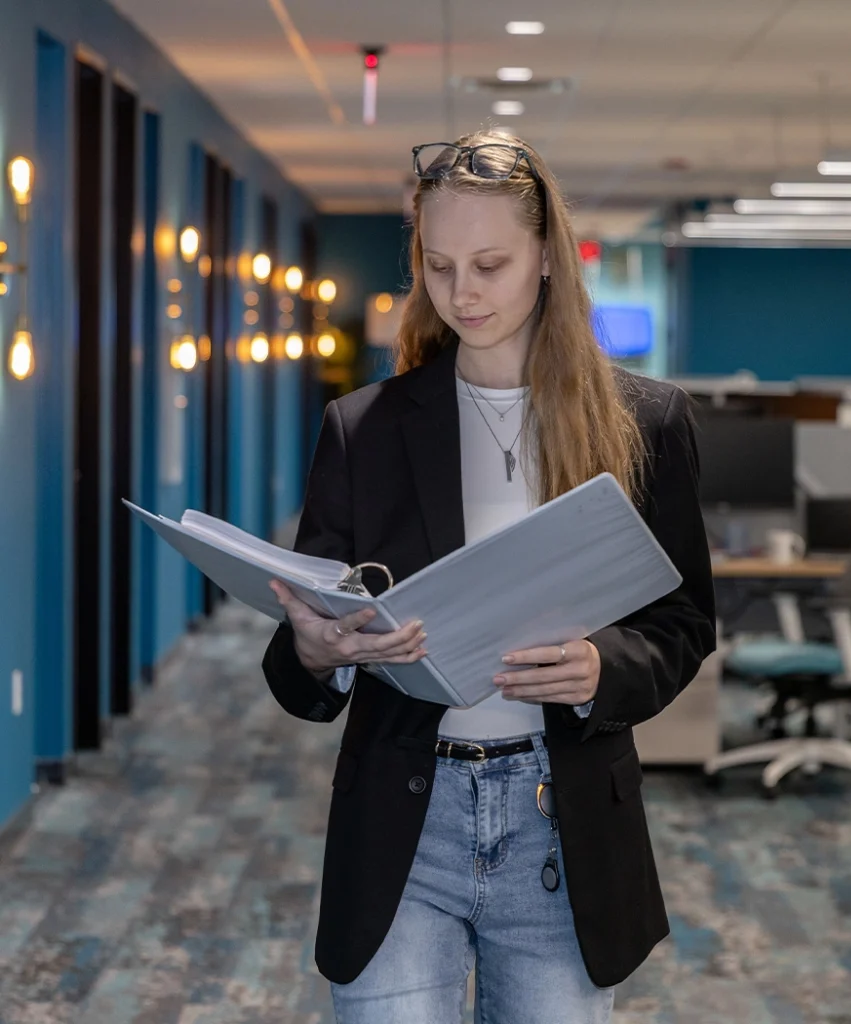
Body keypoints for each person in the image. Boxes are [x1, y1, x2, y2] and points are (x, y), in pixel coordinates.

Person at [263, 130, 716, 1024]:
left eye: (490, 264)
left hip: (563, 820)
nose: (462, 294)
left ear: (547, 258)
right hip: (404, 821)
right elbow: (297, 665)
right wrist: (320, 653)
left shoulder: (646, 423)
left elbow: (684, 624)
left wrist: (601, 670)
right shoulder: (365, 429)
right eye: (437, 267)